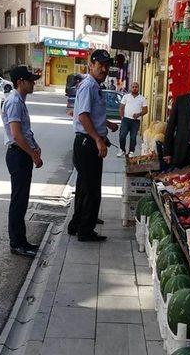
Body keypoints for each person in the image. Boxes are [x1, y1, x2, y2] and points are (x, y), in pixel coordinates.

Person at [68, 49, 118, 242]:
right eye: (100, 65)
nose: (104, 69)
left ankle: (77, 223)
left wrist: (107, 124)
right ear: (91, 65)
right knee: (91, 189)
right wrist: (98, 139)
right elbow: (83, 115)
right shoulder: (89, 85)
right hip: (87, 143)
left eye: (106, 66)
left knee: (83, 187)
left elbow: (92, 113)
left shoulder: (95, 85)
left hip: (87, 141)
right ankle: (85, 230)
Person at [2, 65, 43, 257]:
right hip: (18, 155)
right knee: (18, 201)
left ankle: (22, 240)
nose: (33, 83)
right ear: (20, 82)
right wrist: (33, 154)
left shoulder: (19, 100)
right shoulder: (14, 102)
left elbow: (25, 132)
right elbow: (17, 135)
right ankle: (16, 243)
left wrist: (35, 146)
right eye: (30, 80)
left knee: (22, 200)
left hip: (22, 153)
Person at [117, 82, 148, 157]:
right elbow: (121, 107)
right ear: (131, 88)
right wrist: (122, 118)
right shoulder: (126, 97)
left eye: (136, 87)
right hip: (126, 119)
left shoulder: (142, 98)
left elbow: (145, 110)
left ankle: (131, 151)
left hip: (135, 121)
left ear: (138, 88)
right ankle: (122, 150)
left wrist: (138, 114)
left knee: (133, 137)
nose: (134, 88)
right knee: (122, 135)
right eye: (133, 87)